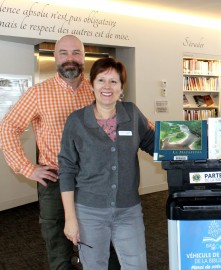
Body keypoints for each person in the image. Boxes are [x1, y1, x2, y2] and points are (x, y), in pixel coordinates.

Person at [0, 35, 119, 269]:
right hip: (54, 180)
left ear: (83, 57)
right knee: (57, 244)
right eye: (63, 53)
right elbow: (8, 126)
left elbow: (125, 121)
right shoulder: (38, 93)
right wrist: (27, 168)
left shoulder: (96, 89)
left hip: (93, 179)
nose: (70, 59)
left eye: (76, 53)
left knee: (103, 240)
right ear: (55, 57)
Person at [59, 57, 155, 269]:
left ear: (122, 88)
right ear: (91, 84)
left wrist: (187, 146)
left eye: (114, 81)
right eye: (101, 80)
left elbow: (152, 143)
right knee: (95, 265)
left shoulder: (131, 112)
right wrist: (70, 218)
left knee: (136, 265)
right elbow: (66, 170)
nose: (107, 87)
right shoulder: (76, 121)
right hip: (89, 212)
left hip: (128, 210)